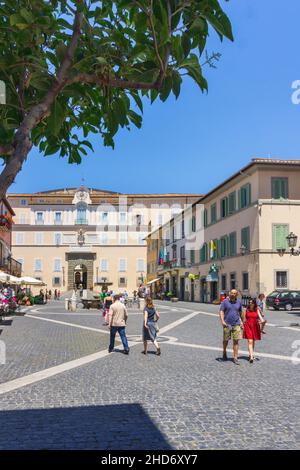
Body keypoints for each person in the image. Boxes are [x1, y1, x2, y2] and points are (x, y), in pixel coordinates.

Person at [219, 289, 243, 365]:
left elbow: (241, 312)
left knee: (236, 341)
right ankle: (224, 351)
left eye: (234, 293)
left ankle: (235, 357)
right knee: (226, 340)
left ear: (237, 294)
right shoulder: (225, 302)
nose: (233, 294)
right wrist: (222, 321)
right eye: (232, 293)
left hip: (236, 323)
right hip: (227, 324)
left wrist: (242, 322)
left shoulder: (239, 302)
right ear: (229, 293)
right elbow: (221, 311)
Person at [243, 298, 264, 363]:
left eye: (251, 302)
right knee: (250, 341)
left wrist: (262, 322)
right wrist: (242, 324)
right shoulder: (246, 310)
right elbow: (244, 319)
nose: (250, 304)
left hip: (255, 326)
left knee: (253, 341)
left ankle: (250, 354)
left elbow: (261, 318)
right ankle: (251, 357)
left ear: (254, 304)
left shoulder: (257, 310)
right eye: (249, 302)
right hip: (248, 326)